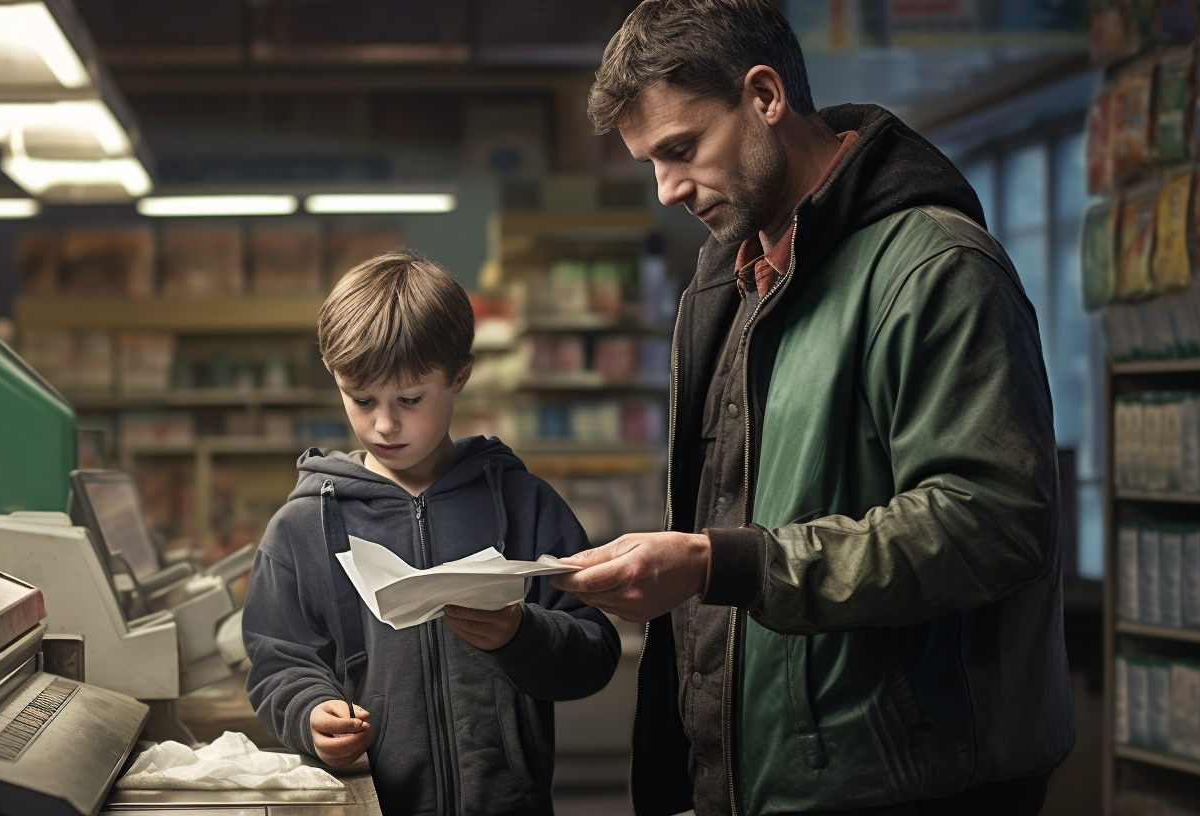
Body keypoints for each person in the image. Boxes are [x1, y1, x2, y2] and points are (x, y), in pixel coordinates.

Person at [549, 2, 1075, 815]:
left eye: (682, 150)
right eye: (650, 162)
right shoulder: (729, 282)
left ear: (764, 97)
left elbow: (993, 521)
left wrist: (716, 564)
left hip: (908, 787)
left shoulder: (935, 270)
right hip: (765, 784)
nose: (667, 190)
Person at [242, 249, 621, 816]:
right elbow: (279, 659)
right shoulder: (304, 525)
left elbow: (594, 650)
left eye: (410, 400)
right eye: (361, 399)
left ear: (460, 376)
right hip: (372, 804)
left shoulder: (526, 504)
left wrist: (520, 635)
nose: (384, 423)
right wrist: (309, 711)